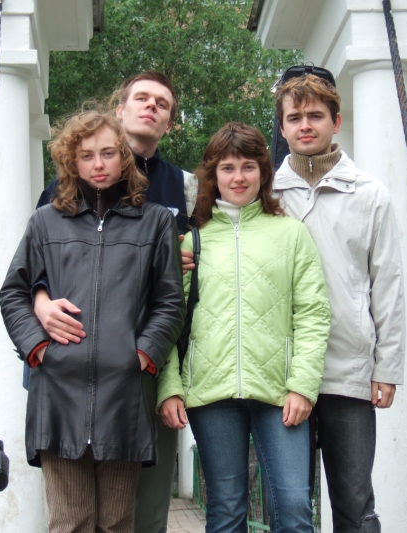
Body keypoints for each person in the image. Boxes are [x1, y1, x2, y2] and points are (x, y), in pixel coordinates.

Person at [0, 111, 185, 533]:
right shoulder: (45, 221)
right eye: (86, 155)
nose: (98, 164)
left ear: (124, 157)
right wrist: (40, 349)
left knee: (117, 522)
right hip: (58, 394)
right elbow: (14, 293)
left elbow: (170, 302)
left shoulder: (156, 221)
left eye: (107, 153)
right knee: (70, 521)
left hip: (124, 396)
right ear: (72, 162)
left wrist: (141, 356)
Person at [158, 122, 331, 533]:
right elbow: (170, 318)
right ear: (213, 175)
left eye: (248, 166)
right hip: (211, 394)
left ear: (263, 173)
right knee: (226, 512)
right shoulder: (193, 240)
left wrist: (303, 385)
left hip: (280, 394)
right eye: (228, 168)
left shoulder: (292, 234)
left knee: (294, 508)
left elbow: (312, 313)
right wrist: (170, 386)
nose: (238, 177)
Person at [273, 74, 405, 533]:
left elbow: (387, 284)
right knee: (289, 506)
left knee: (353, 504)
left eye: (315, 115)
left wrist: (387, 367)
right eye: (294, 117)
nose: (305, 125)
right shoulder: (267, 195)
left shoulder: (370, 195)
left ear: (336, 121)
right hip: (282, 373)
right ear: (283, 127)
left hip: (348, 371)